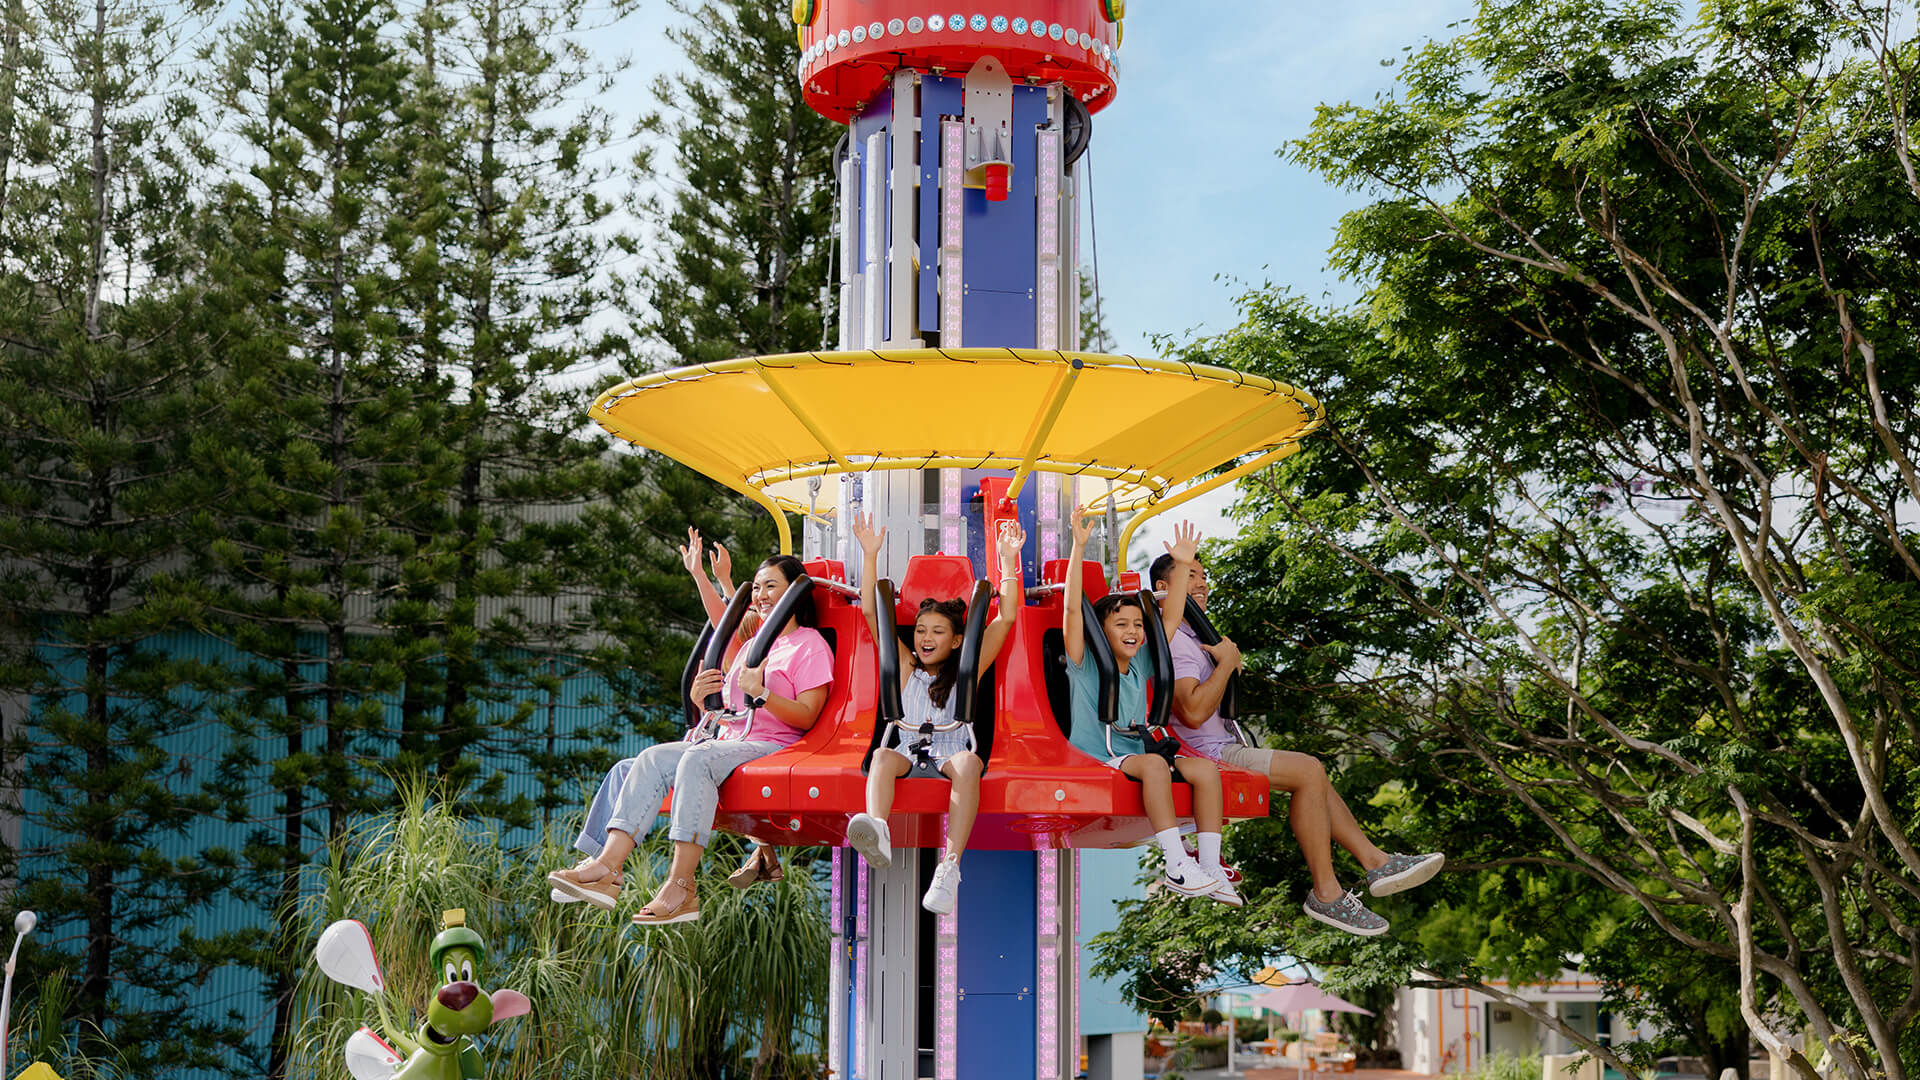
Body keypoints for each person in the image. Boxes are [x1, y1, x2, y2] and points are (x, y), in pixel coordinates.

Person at [1149, 551, 1444, 937]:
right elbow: (1191, 712)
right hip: (1205, 753)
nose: (1202, 583)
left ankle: (1374, 862)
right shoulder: (1178, 643)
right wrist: (1226, 663)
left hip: (1217, 744)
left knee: (1313, 776)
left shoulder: (1197, 634)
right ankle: (1329, 890)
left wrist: (1226, 661)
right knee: (1309, 770)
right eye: (1191, 575)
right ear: (1163, 589)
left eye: (1204, 576)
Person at [546, 552, 834, 925]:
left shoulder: (808, 645)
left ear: (795, 594)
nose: (761, 595)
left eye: (771, 587)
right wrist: (703, 700)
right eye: (757, 587)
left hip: (775, 745)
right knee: (648, 758)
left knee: (695, 760)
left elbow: (808, 715)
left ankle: (681, 885)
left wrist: (763, 693)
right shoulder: (752, 646)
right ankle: (606, 868)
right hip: (733, 739)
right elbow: (731, 686)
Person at [842, 513, 1024, 915]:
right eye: (921, 630)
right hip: (908, 748)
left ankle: (950, 866)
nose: (925, 638)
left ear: (957, 639)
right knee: (881, 757)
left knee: (966, 763)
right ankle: (878, 827)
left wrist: (1008, 560)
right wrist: (870, 555)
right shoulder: (906, 666)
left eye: (937, 632)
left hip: (949, 749)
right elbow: (873, 614)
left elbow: (1007, 617)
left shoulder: (967, 670)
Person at [1063, 515, 1238, 905]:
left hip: (1132, 751)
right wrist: (1078, 547)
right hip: (1095, 754)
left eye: (1139, 625)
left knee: (1206, 770)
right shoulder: (1083, 661)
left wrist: (1180, 565)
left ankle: (1209, 864)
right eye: (1120, 623)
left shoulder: (1140, 661)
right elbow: (1073, 611)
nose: (1133, 631)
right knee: (1156, 766)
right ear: (1101, 631)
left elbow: (1171, 617)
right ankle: (1175, 861)